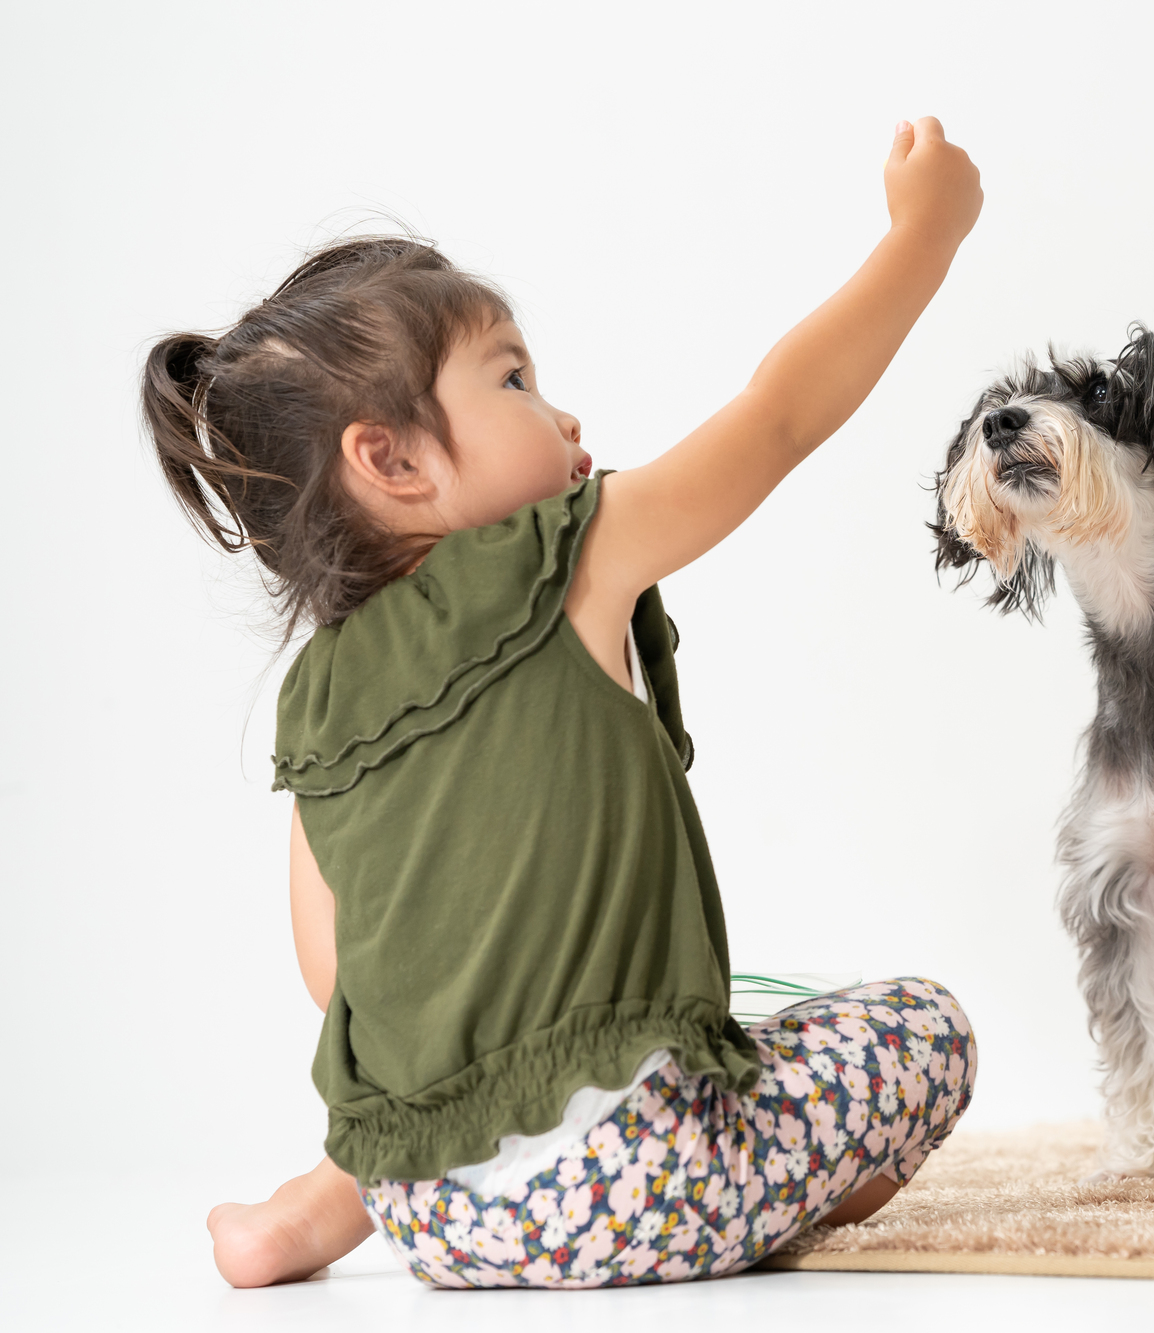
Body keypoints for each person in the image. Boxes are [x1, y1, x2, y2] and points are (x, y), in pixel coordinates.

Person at [142, 119, 983, 1289]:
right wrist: (922, 239)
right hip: (629, 1183)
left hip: (430, 1209)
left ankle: (308, 1215)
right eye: (514, 379)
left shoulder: (317, 700)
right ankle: (775, 1204)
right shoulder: (569, 557)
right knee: (919, 1029)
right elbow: (778, 417)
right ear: (394, 464)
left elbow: (335, 972)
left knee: (461, 1070)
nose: (564, 413)